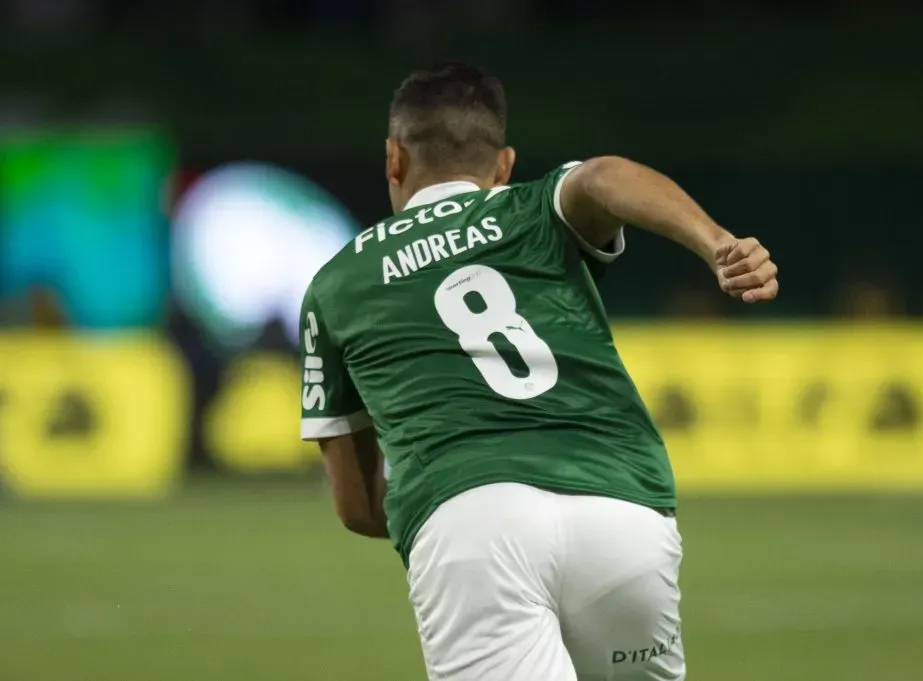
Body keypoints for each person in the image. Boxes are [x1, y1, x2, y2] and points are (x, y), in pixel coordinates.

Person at [299, 61, 778, 681]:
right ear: (502, 166)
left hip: (469, 522)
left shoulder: (335, 285)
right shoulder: (531, 210)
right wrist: (717, 243)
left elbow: (358, 506)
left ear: (393, 158)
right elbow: (604, 175)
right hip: (622, 511)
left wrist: (448, 499)